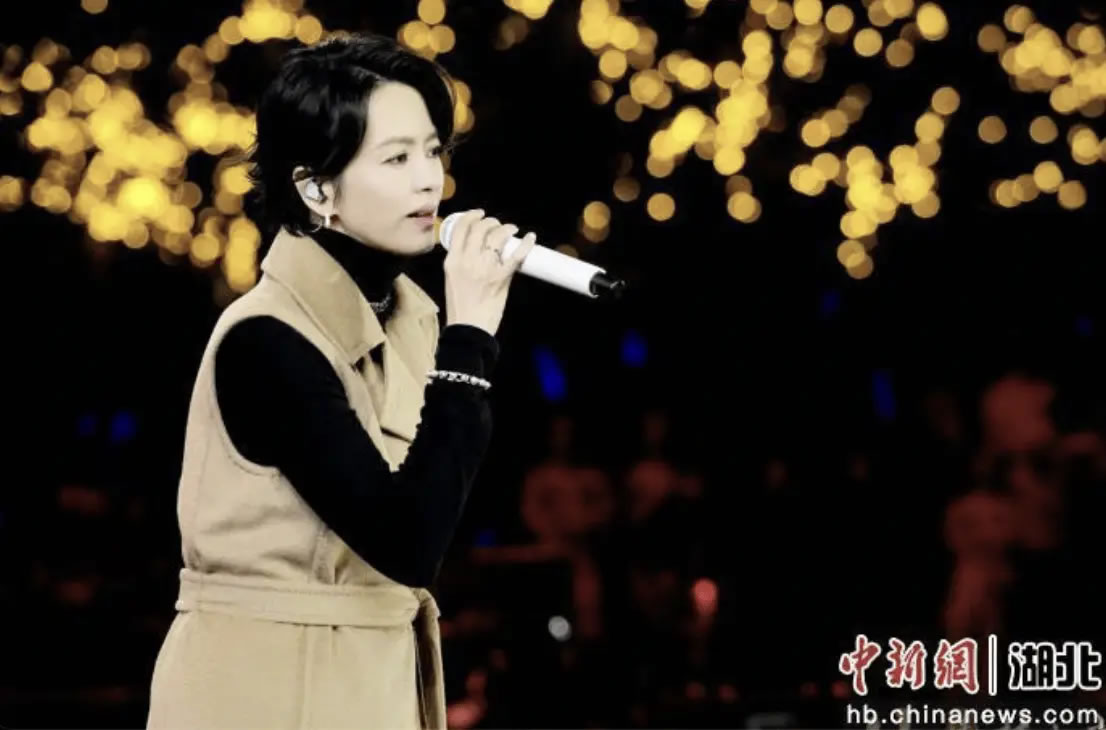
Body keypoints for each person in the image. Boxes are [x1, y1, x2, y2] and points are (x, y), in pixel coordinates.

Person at [146, 32, 536, 729]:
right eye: (396, 158)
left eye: (432, 151)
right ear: (316, 188)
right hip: (266, 689)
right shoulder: (268, 339)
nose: (429, 180)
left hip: (367, 680)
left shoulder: (407, 320)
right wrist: (471, 335)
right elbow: (406, 540)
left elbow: (450, 499)